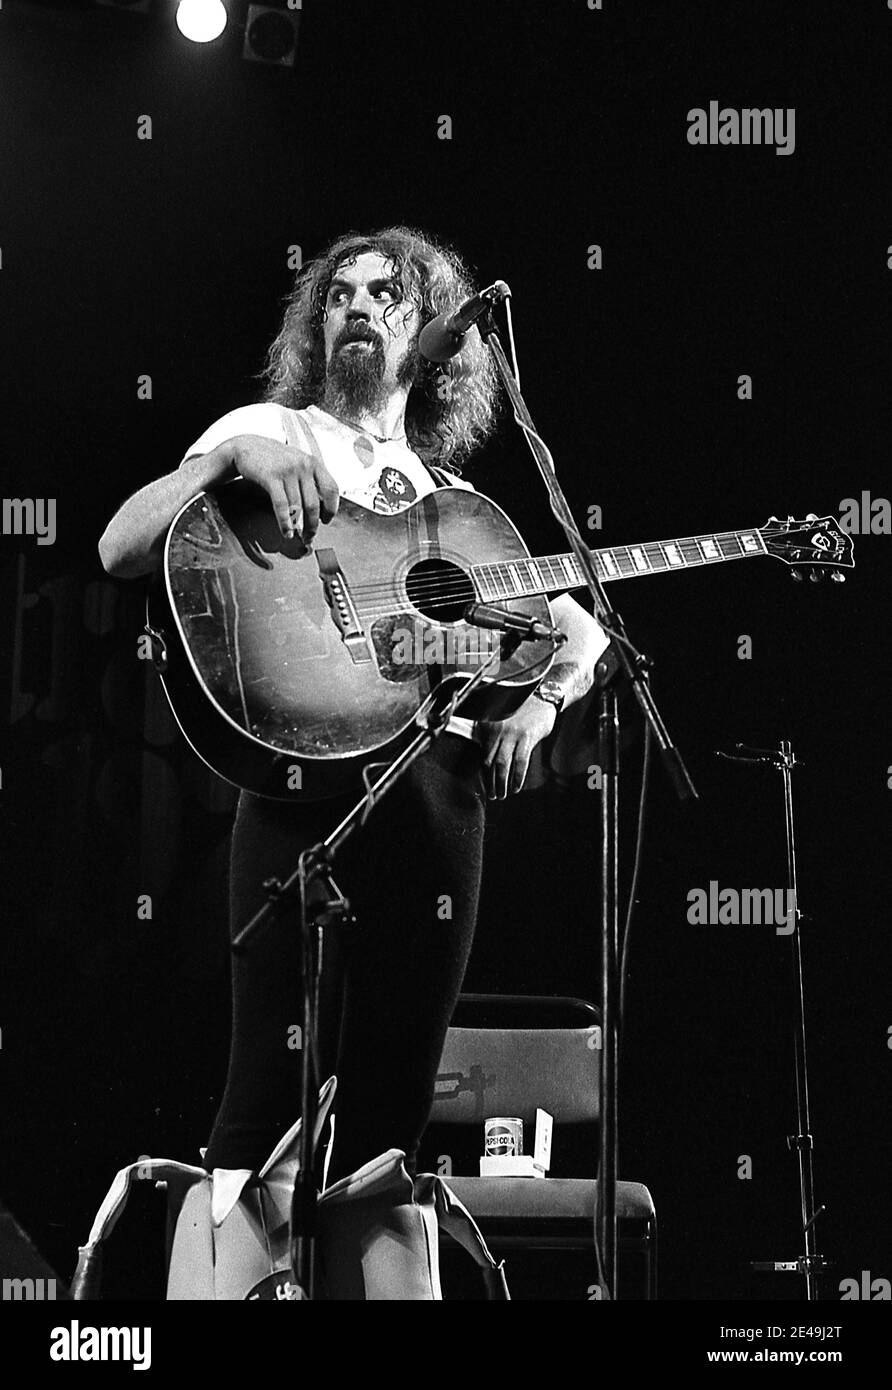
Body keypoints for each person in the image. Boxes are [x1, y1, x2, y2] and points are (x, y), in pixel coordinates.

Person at [98, 225, 609, 1187]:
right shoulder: (272, 432)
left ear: (431, 338)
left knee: (393, 1108)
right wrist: (226, 459)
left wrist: (540, 703)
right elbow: (120, 548)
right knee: (266, 1090)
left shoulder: (450, 502)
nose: (360, 308)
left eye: (389, 295)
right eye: (340, 295)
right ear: (318, 324)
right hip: (304, 786)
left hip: (441, 795)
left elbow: (582, 630)